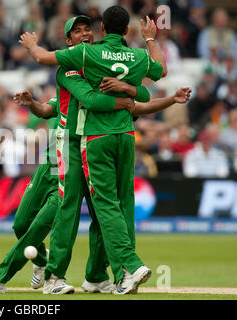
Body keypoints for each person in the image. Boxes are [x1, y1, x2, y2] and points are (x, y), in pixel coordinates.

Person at [19, 6, 168, 294]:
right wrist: (150, 40)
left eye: (89, 29)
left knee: (104, 206)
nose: (85, 33)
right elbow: (160, 71)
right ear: (127, 31)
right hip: (119, 135)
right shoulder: (136, 55)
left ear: (100, 29)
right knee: (115, 205)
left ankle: (114, 271)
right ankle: (108, 273)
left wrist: (31, 44)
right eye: (78, 31)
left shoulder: (88, 53)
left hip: (96, 137)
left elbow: (41, 58)